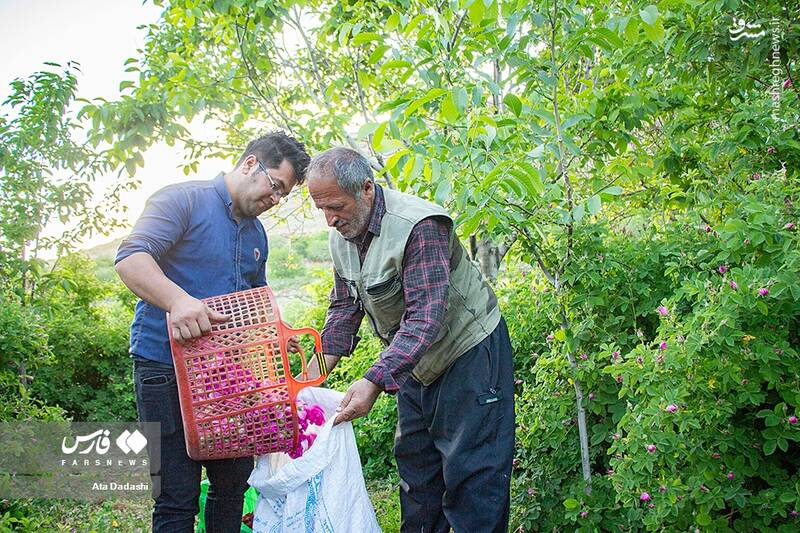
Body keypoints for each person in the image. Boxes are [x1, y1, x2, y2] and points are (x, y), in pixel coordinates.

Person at [305, 147, 515, 533]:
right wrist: (312, 375)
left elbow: (424, 319)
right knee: (417, 474)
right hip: (412, 362)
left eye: (335, 206)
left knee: (473, 477)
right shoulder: (342, 235)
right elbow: (343, 306)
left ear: (367, 188)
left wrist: (372, 380)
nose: (329, 219)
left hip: (467, 354)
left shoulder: (419, 225)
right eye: (321, 209)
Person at [114, 132, 310, 533]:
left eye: (283, 196)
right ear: (250, 163)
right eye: (276, 187)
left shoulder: (257, 236)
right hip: (164, 371)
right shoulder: (182, 200)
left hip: (226, 380)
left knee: (232, 485)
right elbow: (131, 258)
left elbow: (254, 310)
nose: (275, 201)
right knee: (175, 496)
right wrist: (178, 301)